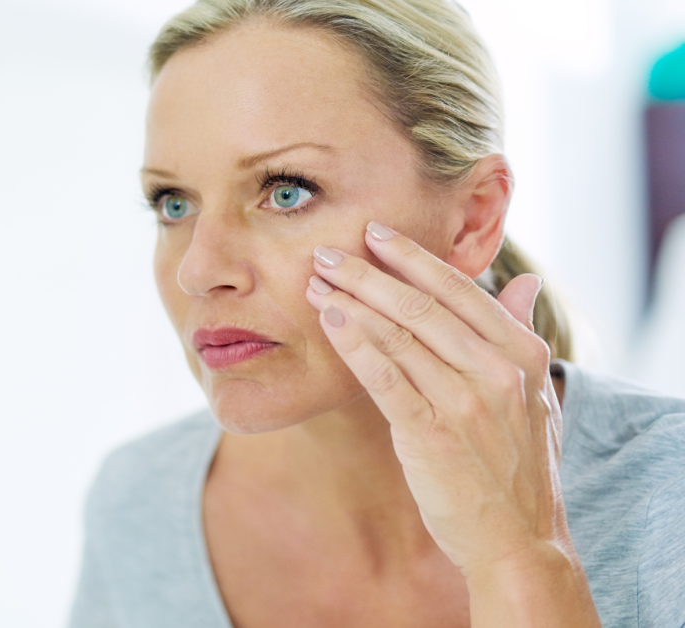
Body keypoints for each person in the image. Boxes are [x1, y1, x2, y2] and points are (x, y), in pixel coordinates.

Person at [68, 1, 685, 626]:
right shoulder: (137, 504)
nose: (198, 270)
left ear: (472, 219)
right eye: (173, 204)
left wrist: (520, 556)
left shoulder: (670, 496)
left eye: (287, 191)